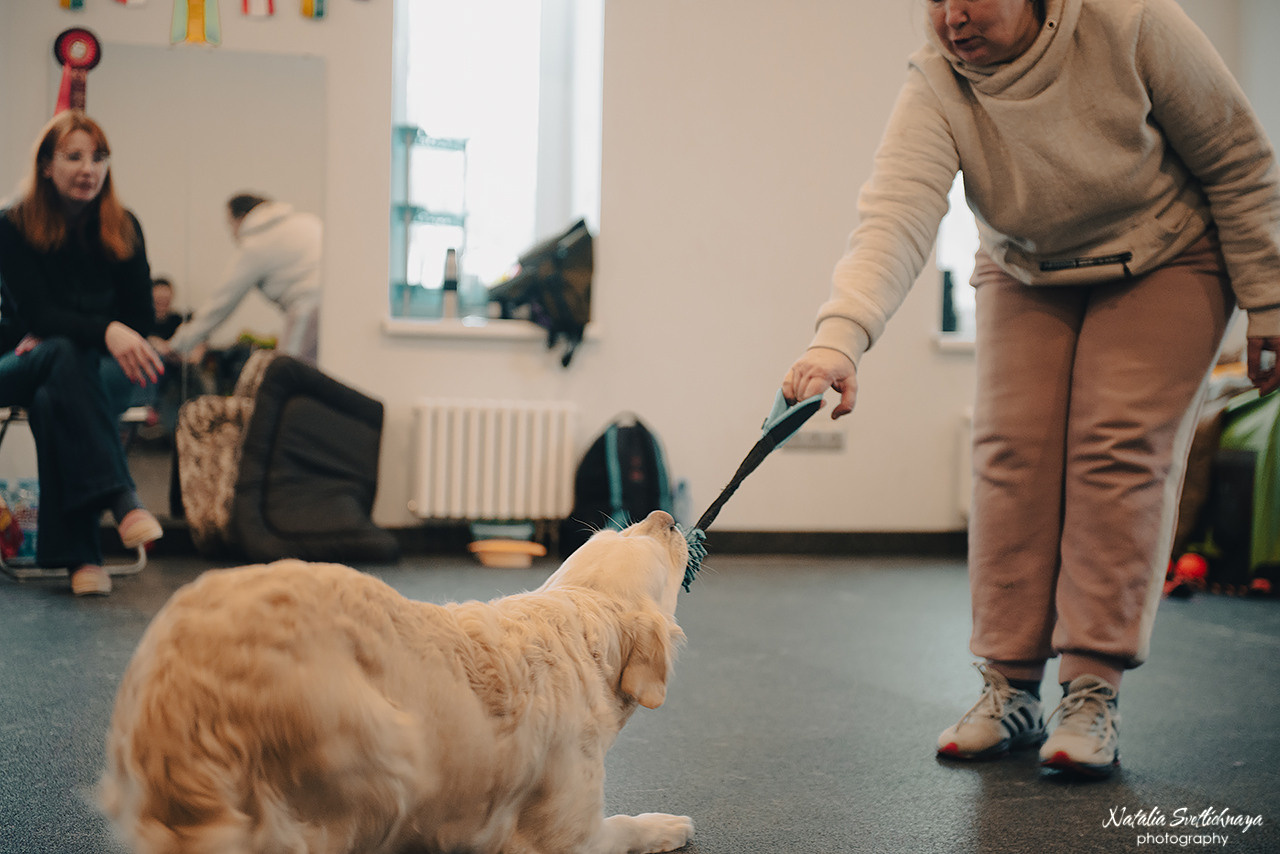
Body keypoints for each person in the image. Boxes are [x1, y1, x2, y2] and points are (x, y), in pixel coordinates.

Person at [782, 0, 1280, 777]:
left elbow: (1239, 161)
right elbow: (897, 211)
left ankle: (1091, 691)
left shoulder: (1135, 24)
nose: (952, 17)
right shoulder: (940, 78)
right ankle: (1009, 687)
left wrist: (1270, 300)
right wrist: (838, 339)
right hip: (1028, 263)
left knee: (1115, 447)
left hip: (1171, 254)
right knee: (1010, 454)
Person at [0, 110, 166, 597]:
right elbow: (36, 317)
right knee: (61, 355)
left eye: (98, 157)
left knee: (59, 394)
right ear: (47, 165)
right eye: (73, 156)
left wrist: (106, 334)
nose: (88, 168)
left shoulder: (124, 226)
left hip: (98, 371)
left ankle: (82, 560)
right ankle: (122, 499)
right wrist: (107, 329)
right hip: (19, 363)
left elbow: (142, 322)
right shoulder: (12, 225)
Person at [159, 193, 322, 365]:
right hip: (337, 309)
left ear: (242, 217)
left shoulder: (256, 243)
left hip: (308, 310)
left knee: (286, 374)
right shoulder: (307, 222)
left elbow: (220, 305)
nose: (233, 234)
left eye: (230, 225)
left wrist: (176, 345)